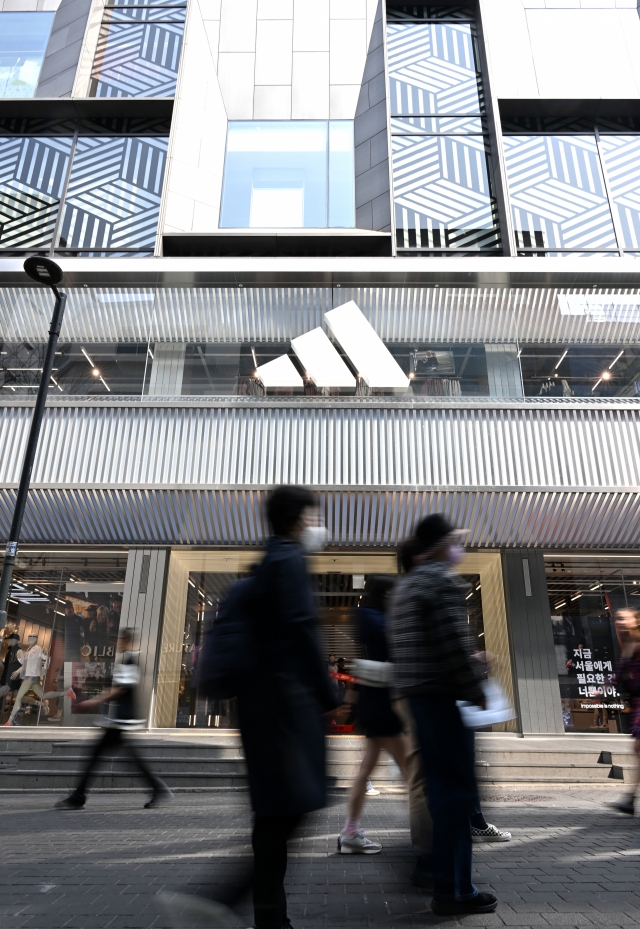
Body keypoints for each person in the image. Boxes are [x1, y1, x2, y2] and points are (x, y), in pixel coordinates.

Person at [160, 485, 338, 929]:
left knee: (274, 813)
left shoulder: (265, 561)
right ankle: (222, 901)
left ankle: (270, 918)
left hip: (257, 706)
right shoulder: (289, 559)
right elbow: (300, 629)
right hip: (282, 705)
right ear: (298, 519)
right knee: (294, 807)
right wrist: (329, 694)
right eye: (313, 516)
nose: (317, 526)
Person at [389, 514, 498, 916]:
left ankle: (443, 879)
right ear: (440, 543)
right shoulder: (441, 581)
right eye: (454, 540)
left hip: (417, 698)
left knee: (438, 789)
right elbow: (454, 647)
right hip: (443, 699)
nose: (459, 547)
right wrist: (477, 689)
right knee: (457, 793)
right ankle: (456, 890)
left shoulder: (405, 588)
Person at [55, 628, 172, 810]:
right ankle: (157, 789)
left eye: (120, 639)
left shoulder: (131, 660)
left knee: (97, 757)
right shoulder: (127, 660)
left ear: (128, 640)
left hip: (121, 720)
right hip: (119, 719)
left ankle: (78, 796)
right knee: (123, 758)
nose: (117, 643)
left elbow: (121, 689)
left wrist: (93, 702)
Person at [339, 575, 407, 854]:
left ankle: (350, 831)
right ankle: (430, 835)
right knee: (412, 770)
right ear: (386, 594)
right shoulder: (373, 618)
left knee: (367, 767)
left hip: (376, 702)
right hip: (384, 703)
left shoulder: (370, 616)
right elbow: (396, 646)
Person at [608, 608, 640, 815]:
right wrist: (604, 686)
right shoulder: (627, 643)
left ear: (635, 620)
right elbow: (620, 674)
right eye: (617, 618)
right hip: (637, 702)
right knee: (638, 750)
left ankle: (630, 798)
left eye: (623, 617)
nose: (618, 620)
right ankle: (630, 799)